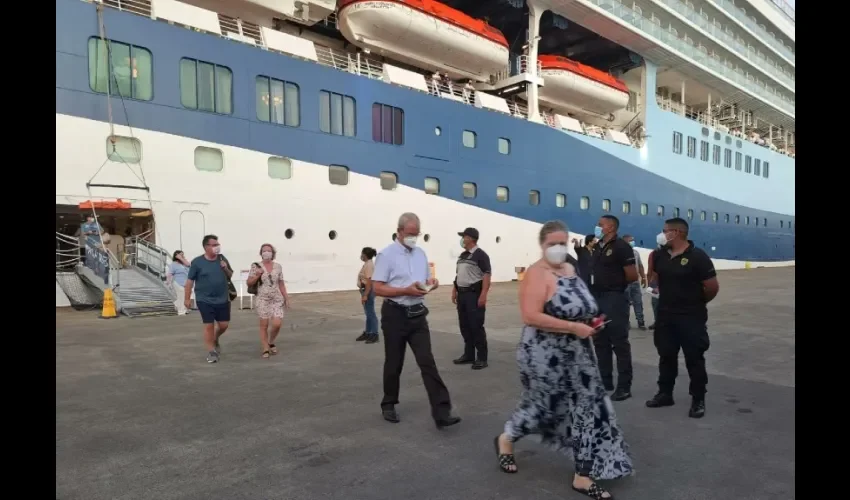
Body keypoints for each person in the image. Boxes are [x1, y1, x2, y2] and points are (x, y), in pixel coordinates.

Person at [495, 220, 633, 500]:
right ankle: (506, 439)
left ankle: (583, 475)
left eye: (563, 243)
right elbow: (531, 316)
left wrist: (590, 322)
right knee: (545, 408)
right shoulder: (536, 274)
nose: (558, 248)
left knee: (591, 410)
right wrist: (573, 327)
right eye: (552, 244)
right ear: (542, 245)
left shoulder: (571, 268)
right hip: (544, 355)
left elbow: (579, 306)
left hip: (579, 354)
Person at [372, 212, 461, 428]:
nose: (413, 237)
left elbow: (422, 280)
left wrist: (431, 283)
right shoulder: (386, 255)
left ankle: (441, 412)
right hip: (395, 314)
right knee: (394, 362)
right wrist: (405, 290)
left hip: (418, 314)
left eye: (416, 234)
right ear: (400, 231)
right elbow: (377, 287)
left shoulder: (420, 253)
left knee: (427, 361)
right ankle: (388, 404)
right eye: (410, 234)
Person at [646, 218, 719, 418]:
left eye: (664, 230)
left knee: (694, 358)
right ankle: (665, 394)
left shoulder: (698, 257)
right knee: (666, 356)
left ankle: (698, 399)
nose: (661, 234)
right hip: (665, 317)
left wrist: (695, 303)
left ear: (676, 232)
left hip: (691, 318)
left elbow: (712, 288)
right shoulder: (660, 255)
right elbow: (655, 279)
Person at [589, 215, 638, 401]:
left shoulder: (621, 247)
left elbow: (632, 275)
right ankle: (605, 381)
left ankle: (624, 386)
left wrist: (614, 287)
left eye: (600, 224)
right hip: (598, 298)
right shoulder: (597, 247)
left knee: (619, 343)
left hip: (615, 299)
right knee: (600, 341)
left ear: (610, 227)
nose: (597, 227)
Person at [184, 234, 233, 364]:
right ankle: (211, 352)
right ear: (206, 247)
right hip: (204, 299)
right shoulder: (197, 262)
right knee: (209, 325)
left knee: (224, 325)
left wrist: (225, 268)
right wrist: (187, 298)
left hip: (222, 298)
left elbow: (230, 275)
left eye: (217, 244)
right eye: (214, 245)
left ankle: (215, 338)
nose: (217, 247)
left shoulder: (222, 258)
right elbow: (189, 281)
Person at [452, 227, 492, 370]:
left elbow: (486, 275)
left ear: (470, 238)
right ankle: (469, 355)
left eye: (464, 236)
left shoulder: (481, 255)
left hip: (474, 295)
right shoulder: (463, 255)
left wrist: (484, 294)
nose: (462, 239)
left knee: (476, 326)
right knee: (465, 326)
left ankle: (482, 358)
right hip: (462, 294)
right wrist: (454, 290)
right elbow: (458, 275)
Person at [246, 243, 290, 359]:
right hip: (262, 298)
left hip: (276, 298)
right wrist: (257, 275)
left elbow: (281, 282)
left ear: (273, 253)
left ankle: (271, 341)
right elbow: (249, 282)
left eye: (269, 251)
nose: (266, 253)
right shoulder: (256, 266)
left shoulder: (278, 267)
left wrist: (286, 297)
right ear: (261, 253)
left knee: (277, 324)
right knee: (264, 325)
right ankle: (265, 347)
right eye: (264, 251)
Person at [622, 234, 647, 330]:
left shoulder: (635, 253)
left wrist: (643, 277)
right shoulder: (620, 253)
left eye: (633, 240)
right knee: (625, 304)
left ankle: (641, 322)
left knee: (638, 302)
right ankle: (626, 322)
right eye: (631, 240)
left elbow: (640, 265)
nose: (633, 242)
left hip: (635, 282)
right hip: (625, 282)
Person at [355, 247, 380, 344]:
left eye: (362, 253)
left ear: (365, 254)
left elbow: (369, 281)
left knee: (371, 313)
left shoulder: (369, 265)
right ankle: (368, 332)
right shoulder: (366, 264)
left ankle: (374, 334)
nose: (361, 255)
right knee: (368, 313)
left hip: (368, 291)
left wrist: (365, 294)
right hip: (365, 290)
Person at [166, 250, 191, 315]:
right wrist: (168, 282)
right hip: (178, 283)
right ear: (177, 256)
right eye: (181, 254)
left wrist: (182, 259)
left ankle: (177, 304)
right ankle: (181, 311)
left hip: (186, 283)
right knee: (182, 296)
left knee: (185, 297)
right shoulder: (173, 264)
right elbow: (170, 274)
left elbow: (189, 265)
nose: (183, 256)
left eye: (183, 254)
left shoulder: (185, 263)